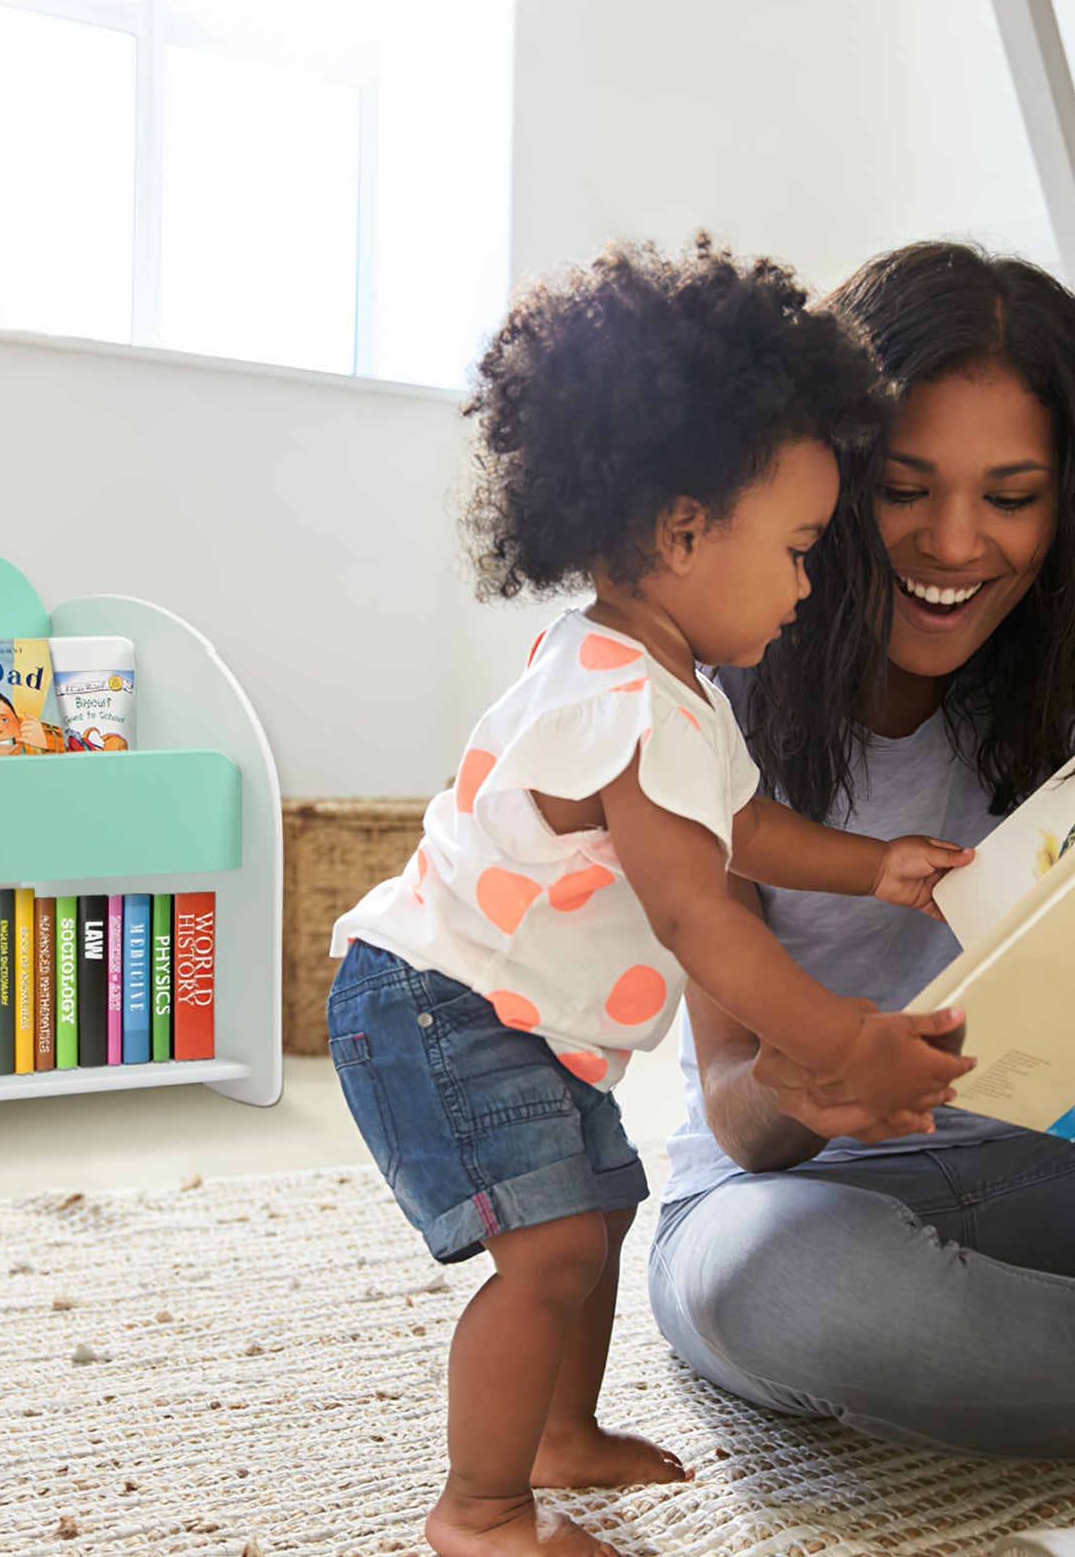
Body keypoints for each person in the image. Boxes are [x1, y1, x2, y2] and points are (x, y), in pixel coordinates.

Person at [325, 236, 977, 1557]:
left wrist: (874, 867)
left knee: (602, 1210)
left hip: (511, 1011)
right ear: (683, 532)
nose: (810, 586)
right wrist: (844, 1036)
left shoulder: (660, 682)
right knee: (553, 1248)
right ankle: (482, 1508)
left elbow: (741, 832)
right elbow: (700, 916)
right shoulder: (625, 701)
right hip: (441, 1008)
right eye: (798, 550)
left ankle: (561, 1437)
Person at [650, 240, 1075, 1459]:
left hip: (1044, 1172)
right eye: (903, 488)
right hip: (797, 1196)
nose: (953, 543)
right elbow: (734, 1107)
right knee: (777, 1285)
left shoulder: (1057, 686)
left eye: (1009, 496)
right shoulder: (709, 705)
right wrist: (804, 1088)